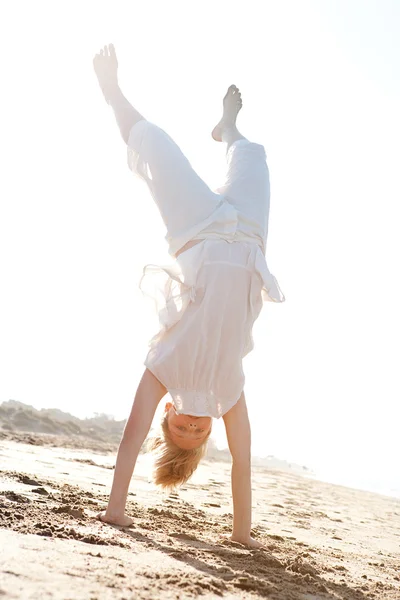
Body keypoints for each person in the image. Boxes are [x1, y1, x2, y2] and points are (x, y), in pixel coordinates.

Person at [93, 44, 284, 548]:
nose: (196, 427)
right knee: (254, 156)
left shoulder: (163, 368)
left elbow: (131, 442)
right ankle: (230, 132)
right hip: (247, 237)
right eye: (200, 435)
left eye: (184, 429)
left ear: (169, 415)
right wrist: (241, 537)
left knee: (154, 142)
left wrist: (116, 510)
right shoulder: (229, 394)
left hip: (197, 227)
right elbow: (242, 463)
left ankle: (113, 93)